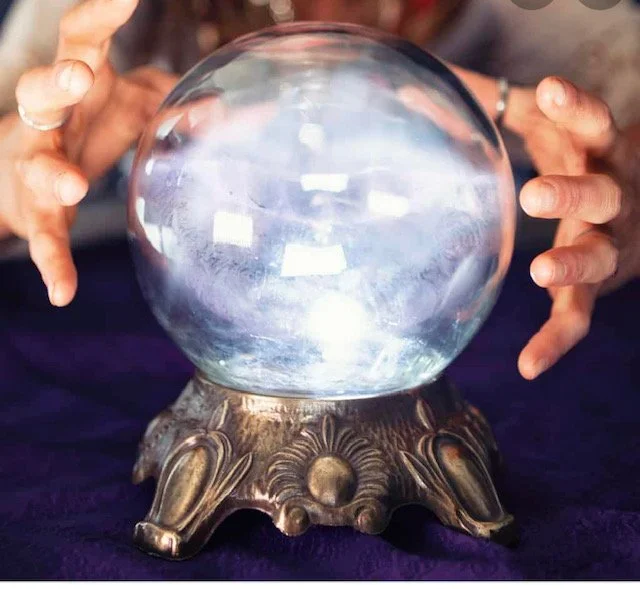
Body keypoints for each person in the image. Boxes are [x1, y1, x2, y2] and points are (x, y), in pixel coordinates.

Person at [0, 0, 638, 382]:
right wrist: (13, 183)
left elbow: (624, 117)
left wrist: (628, 187)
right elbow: (18, 134)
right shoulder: (106, 15)